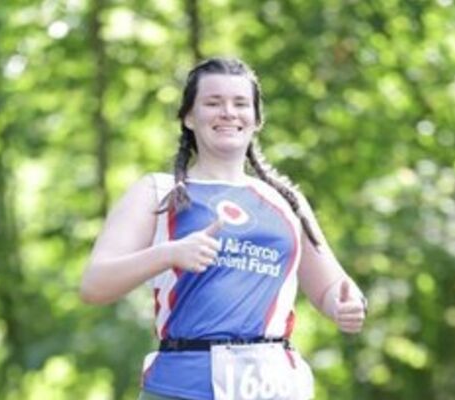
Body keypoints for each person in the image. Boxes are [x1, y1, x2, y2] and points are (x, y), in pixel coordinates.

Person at [80, 57, 367, 400]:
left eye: (240, 103)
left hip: (272, 388)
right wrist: (169, 253)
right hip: (181, 386)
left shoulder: (285, 200)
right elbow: (94, 285)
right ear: (188, 117)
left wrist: (345, 306)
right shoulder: (158, 192)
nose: (228, 112)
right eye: (213, 103)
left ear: (257, 119)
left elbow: (332, 287)